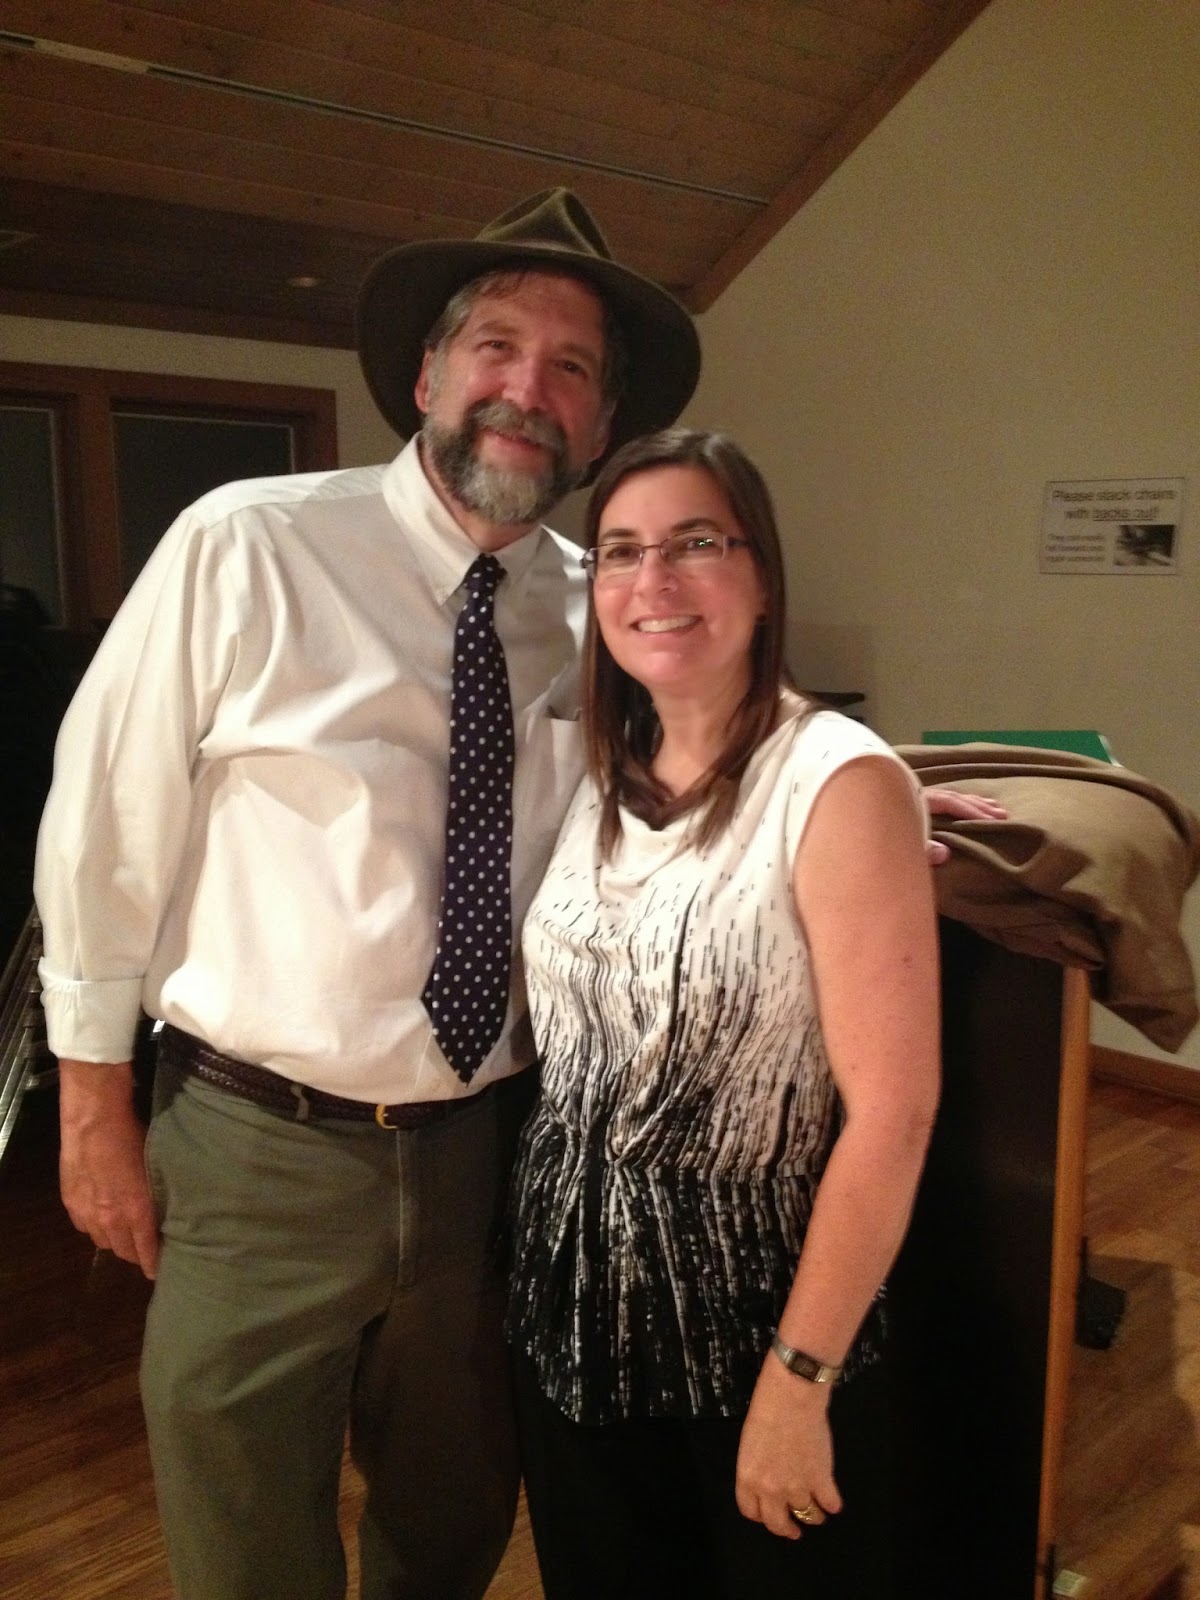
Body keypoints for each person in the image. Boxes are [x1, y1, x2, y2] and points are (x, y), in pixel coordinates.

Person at [33, 188, 702, 1600]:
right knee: (243, 1531)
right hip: (255, 1147)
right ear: (428, 375)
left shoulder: (601, 606)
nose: (527, 390)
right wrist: (91, 1102)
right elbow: (104, 828)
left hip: (486, 1156)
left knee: (451, 1520)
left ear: (598, 427)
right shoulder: (246, 544)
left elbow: (707, 766)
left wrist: (870, 798)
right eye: (496, 347)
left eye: (571, 368)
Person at [507, 428, 943, 1600]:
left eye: (696, 542)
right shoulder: (599, 770)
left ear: (760, 574)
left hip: (750, 1338)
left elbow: (895, 1116)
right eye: (620, 550)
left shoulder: (835, 781)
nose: (654, 579)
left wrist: (800, 1380)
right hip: (570, 1325)